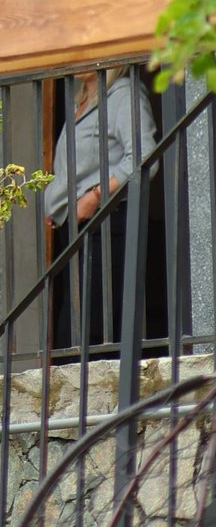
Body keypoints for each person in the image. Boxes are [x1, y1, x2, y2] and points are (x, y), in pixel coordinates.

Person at [46, 68, 161, 350]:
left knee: (88, 330)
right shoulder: (81, 100)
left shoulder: (123, 95)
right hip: (75, 228)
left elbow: (145, 157)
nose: (81, 58)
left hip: (105, 222)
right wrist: (58, 204)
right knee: (75, 327)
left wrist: (94, 197)